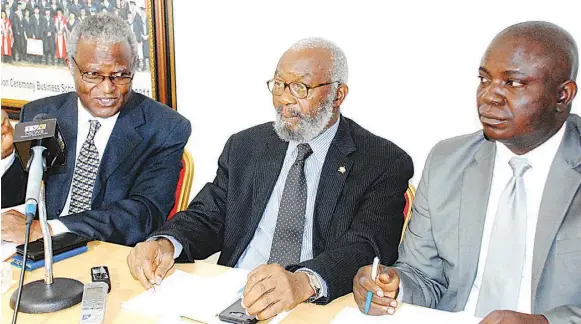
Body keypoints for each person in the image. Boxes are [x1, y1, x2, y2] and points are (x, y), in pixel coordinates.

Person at [127, 37, 413, 320]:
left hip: (312, 306)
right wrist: (166, 242)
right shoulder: (245, 146)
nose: (285, 99)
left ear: (337, 95)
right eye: (279, 85)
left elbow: (367, 245)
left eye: (300, 87)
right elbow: (207, 216)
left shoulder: (381, 161)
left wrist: (303, 281)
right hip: (231, 296)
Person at [353, 21, 580, 324]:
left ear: (563, 95)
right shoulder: (447, 162)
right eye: (484, 80)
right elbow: (422, 275)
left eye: (513, 83)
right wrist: (393, 285)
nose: (489, 96)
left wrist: (545, 322)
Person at [0, 13, 191, 246]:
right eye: (92, 74)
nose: (108, 89)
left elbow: (144, 214)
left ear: (133, 67)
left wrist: (48, 229)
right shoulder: (42, 114)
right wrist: (6, 158)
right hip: (36, 252)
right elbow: (16, 199)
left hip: (107, 252)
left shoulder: (164, 128)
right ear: (71, 65)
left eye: (120, 75)